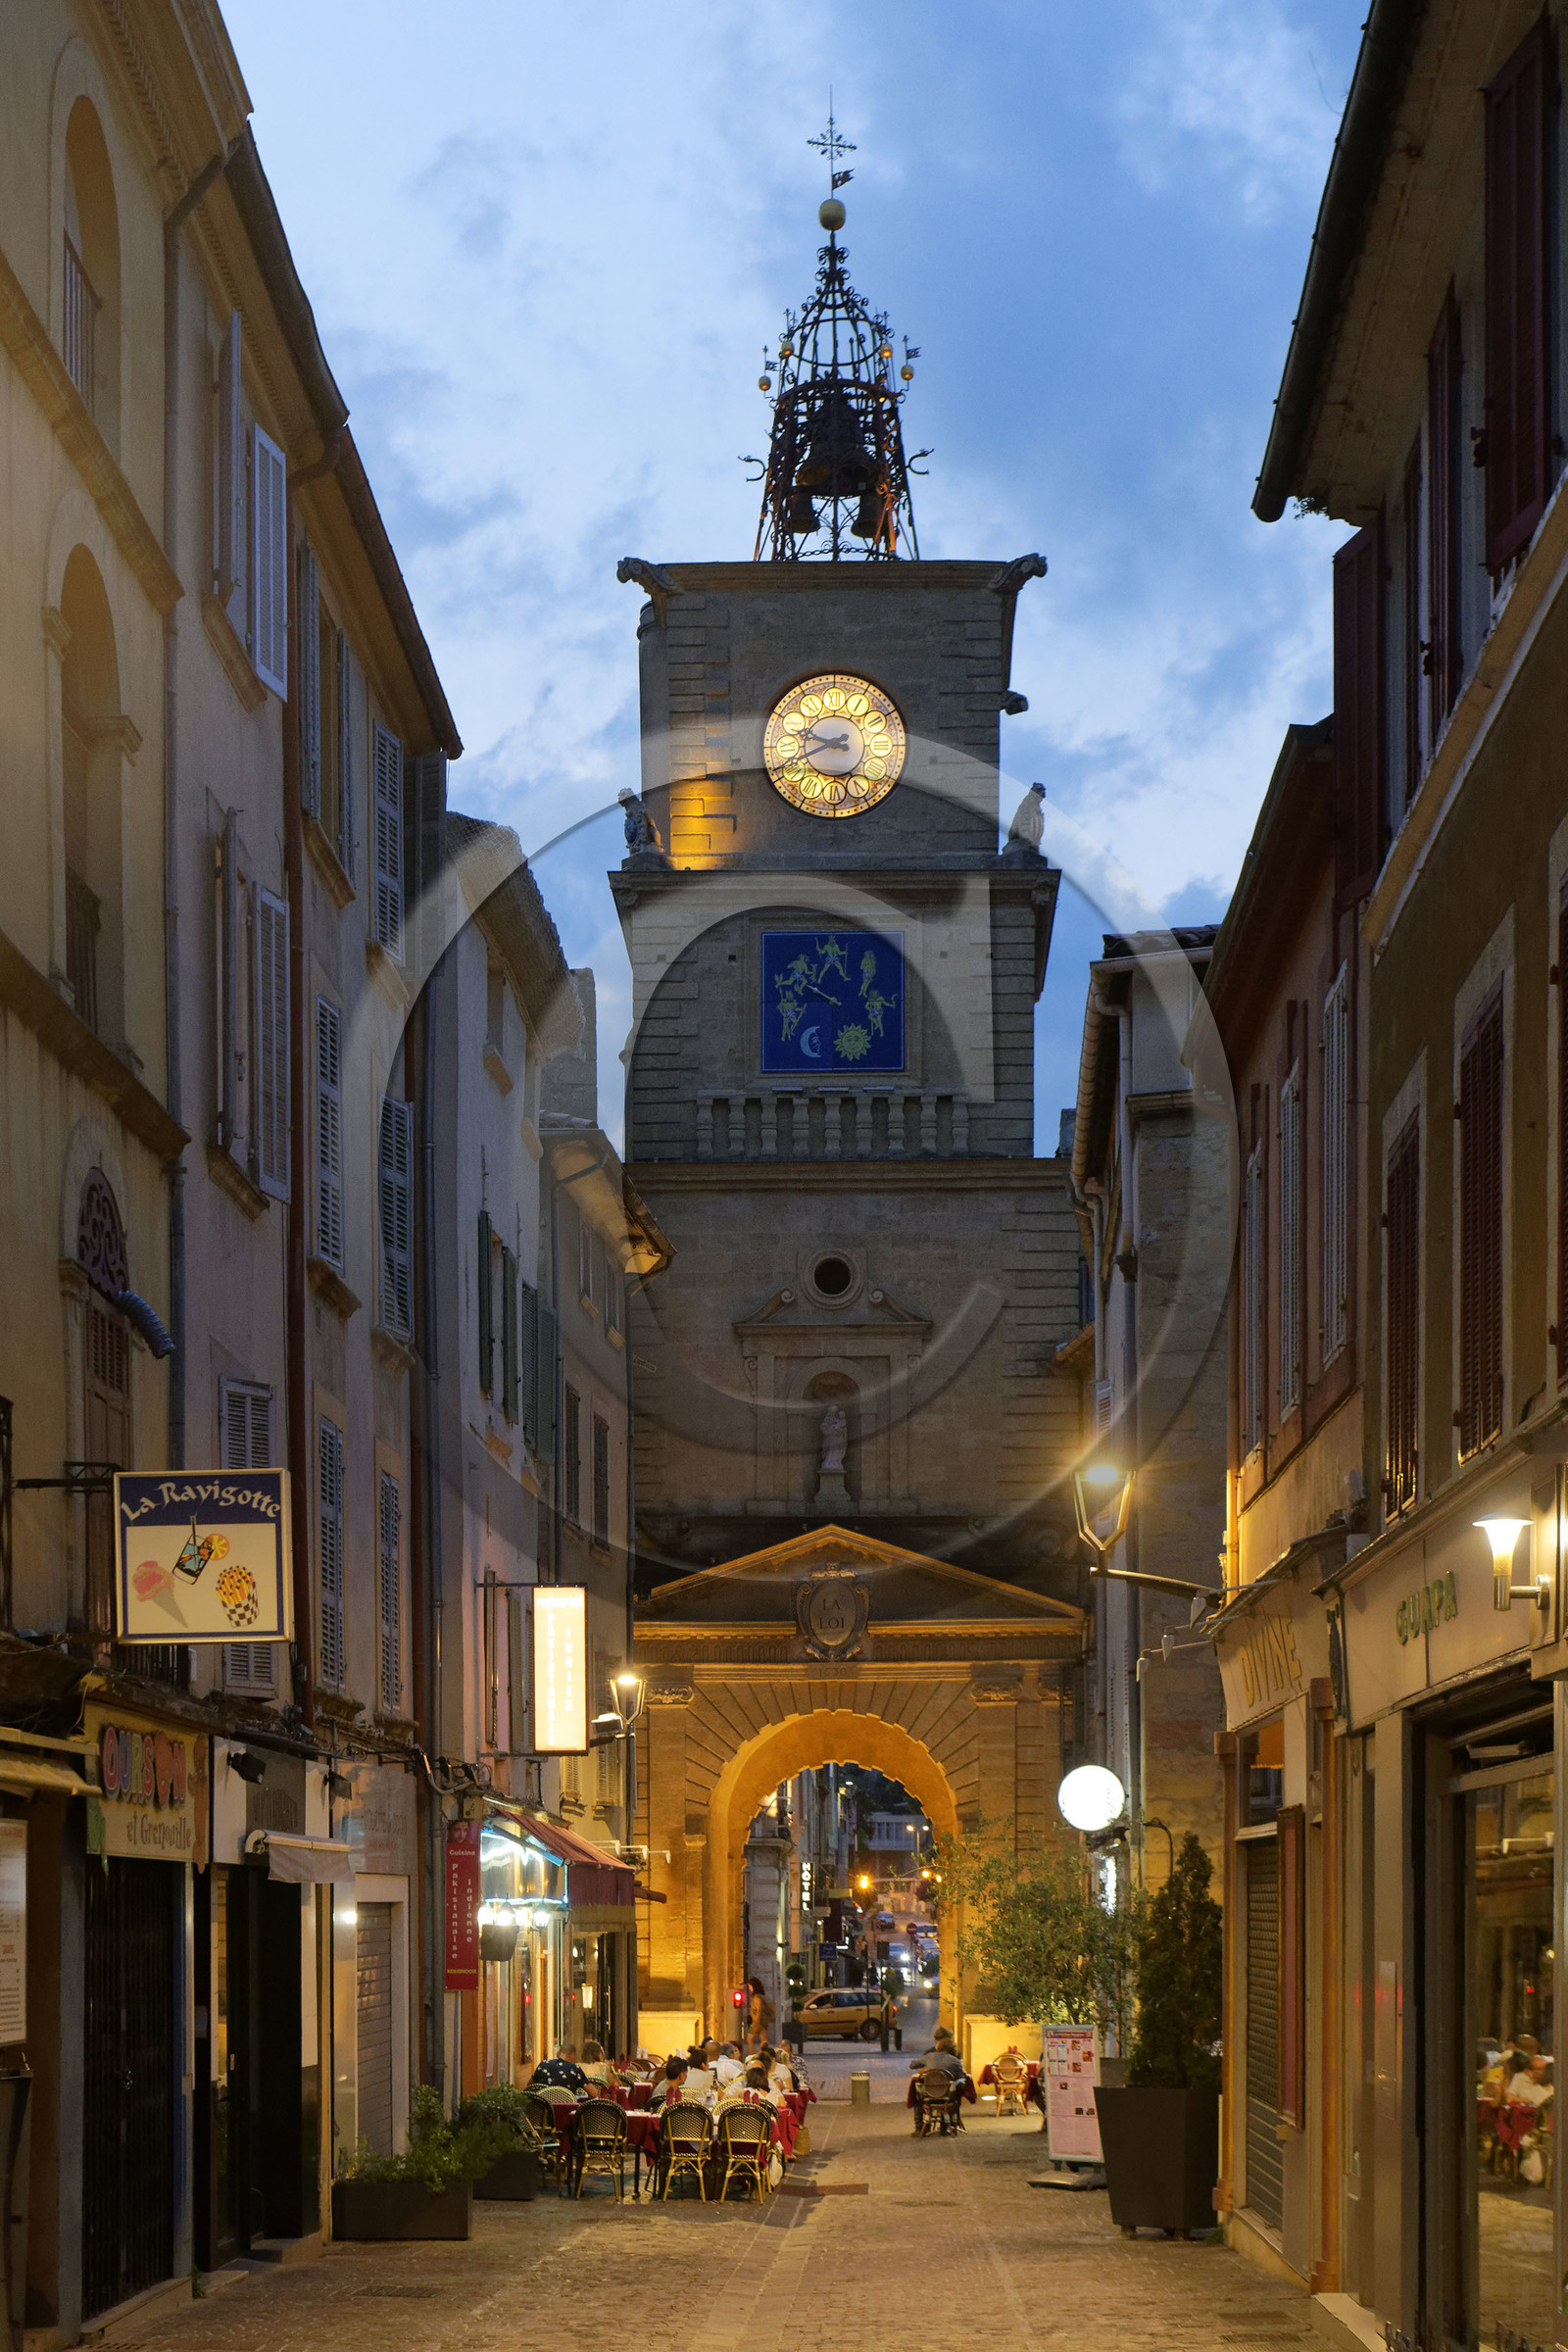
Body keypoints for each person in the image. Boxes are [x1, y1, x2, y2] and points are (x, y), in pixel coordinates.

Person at [745, 1977, 774, 2056]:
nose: (749, 1988)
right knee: (763, 2038)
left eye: (750, 1986)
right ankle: (766, 2054)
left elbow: (759, 2010)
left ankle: (751, 2055)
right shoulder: (760, 1996)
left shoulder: (757, 1997)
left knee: (750, 2038)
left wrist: (756, 2021)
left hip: (757, 2021)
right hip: (762, 2021)